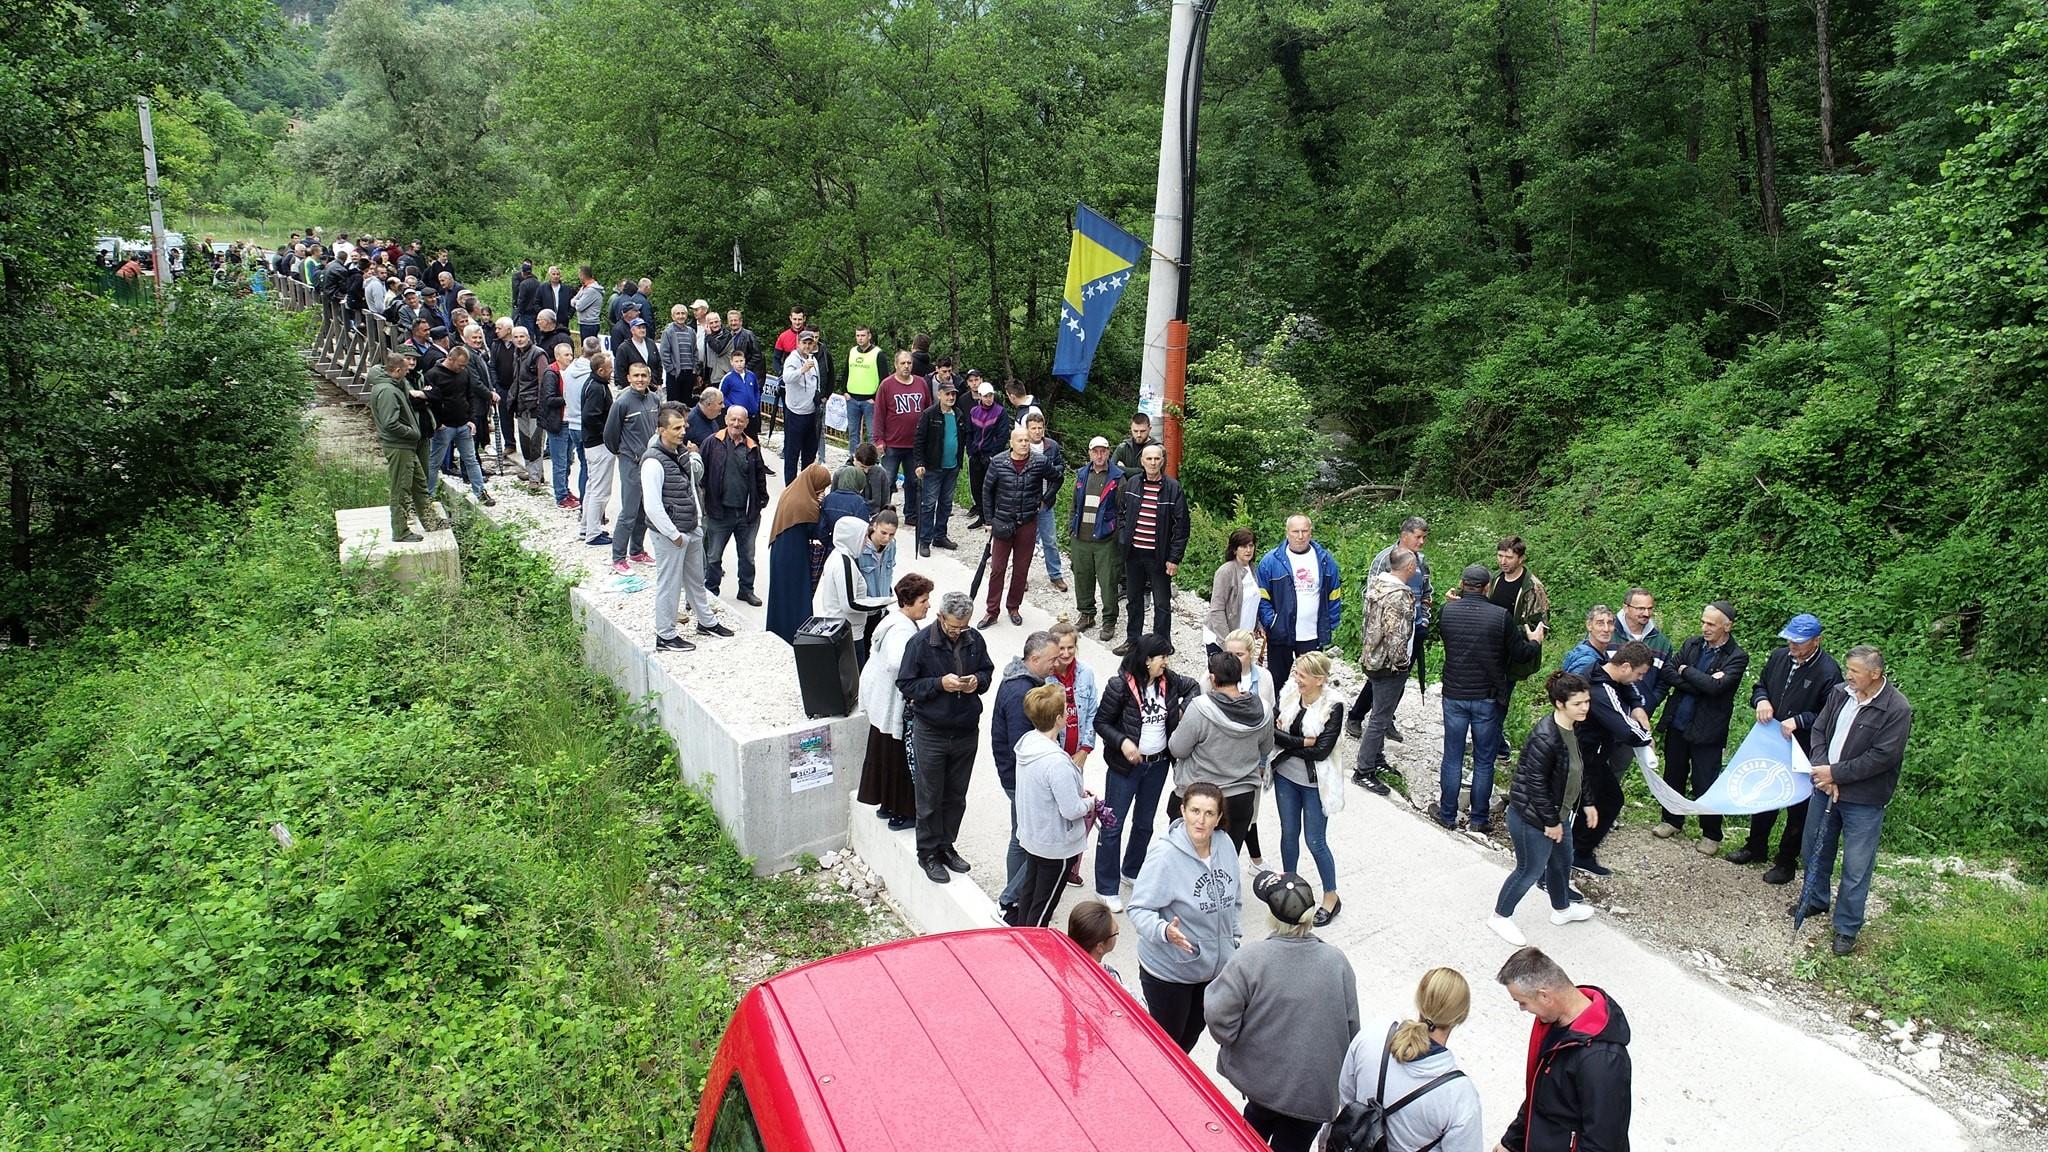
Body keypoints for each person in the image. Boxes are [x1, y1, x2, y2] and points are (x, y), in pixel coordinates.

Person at [1205, 869, 1360, 1152]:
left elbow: (1217, 1015)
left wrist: (1234, 1039)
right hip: (1313, 1097)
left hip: (1260, 1088)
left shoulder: (1250, 958)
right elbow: (1353, 1031)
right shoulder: (1337, 962)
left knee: (1246, 1139)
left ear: (1272, 917)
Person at [1794, 645, 1913, 957]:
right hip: (1824, 787)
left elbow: (1882, 757)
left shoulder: (1896, 708)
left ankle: (1846, 927)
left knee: (1856, 867)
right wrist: (1823, 772)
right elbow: (1819, 731)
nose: (1848, 676)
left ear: (1875, 674)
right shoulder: (1839, 693)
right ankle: (1816, 900)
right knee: (1813, 847)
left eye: (1855, 672)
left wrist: (1837, 774)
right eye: (1848, 670)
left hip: (1864, 799)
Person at [1127, 781, 1241, 1053]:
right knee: (1167, 1049)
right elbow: (1138, 909)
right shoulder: (1164, 856)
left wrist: (1234, 939)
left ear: (1219, 817)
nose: (1200, 820)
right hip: (1170, 973)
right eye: (1194, 811)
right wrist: (1165, 931)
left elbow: (1235, 898)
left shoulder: (1225, 845)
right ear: (1182, 811)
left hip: (1212, 972)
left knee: (1188, 1040)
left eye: (1209, 813)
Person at [1731, 613, 1843, 883]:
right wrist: (1761, 700)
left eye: (1800, 641)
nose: (1793, 644)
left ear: (1817, 640)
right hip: (1772, 740)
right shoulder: (1779, 657)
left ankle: (1786, 861)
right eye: (1790, 638)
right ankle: (1755, 846)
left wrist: (1801, 720)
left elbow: (1833, 714)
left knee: (1798, 805)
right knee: (1765, 793)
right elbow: (1761, 686)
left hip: (1804, 748)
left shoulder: (1829, 671)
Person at [1490, 671, 1598, 947]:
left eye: (1586, 701)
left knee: (1562, 863)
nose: (1585, 707)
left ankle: (1562, 910)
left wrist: (1587, 803)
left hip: (1558, 815)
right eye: (1578, 703)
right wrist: (1551, 822)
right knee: (1530, 869)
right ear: (1560, 704)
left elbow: (1578, 768)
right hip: (1533, 819)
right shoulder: (1546, 737)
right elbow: (1535, 786)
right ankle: (1500, 916)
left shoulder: (1574, 727)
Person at [1435, 564, 1543, 832]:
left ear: (1461, 584)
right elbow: (1519, 654)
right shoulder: (1500, 616)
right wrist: (1535, 641)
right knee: (1484, 759)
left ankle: (1447, 814)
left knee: (1452, 756)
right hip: (1486, 696)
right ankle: (1479, 820)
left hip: (1454, 694)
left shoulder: (1447, 611)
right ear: (1487, 588)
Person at [1093, 634, 1197, 912]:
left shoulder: (1170, 680)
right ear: (1147, 659)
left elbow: (1195, 687)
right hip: (1125, 766)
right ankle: (1106, 886)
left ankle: (1132, 870)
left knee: (1144, 823)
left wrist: (1184, 710)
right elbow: (1101, 722)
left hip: (1158, 763)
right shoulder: (1120, 686)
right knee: (1113, 824)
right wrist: (1123, 742)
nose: (1166, 662)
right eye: (1162, 657)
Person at [897, 591, 995, 884]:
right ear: (940, 617)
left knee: (956, 795)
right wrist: (940, 684)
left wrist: (976, 682)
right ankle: (927, 853)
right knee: (929, 797)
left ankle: (946, 846)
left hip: (965, 729)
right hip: (931, 731)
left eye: (962, 626)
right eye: (953, 626)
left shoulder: (974, 639)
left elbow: (987, 672)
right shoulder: (920, 643)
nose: (958, 631)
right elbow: (906, 684)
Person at [1493, 947, 1632, 1152]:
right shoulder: (1553, 1025)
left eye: (1522, 1002)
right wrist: (1512, 1141)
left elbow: (1602, 1144)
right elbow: (1541, 1095)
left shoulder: (1602, 1060)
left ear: (1545, 996)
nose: (1522, 1009)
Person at [1337, 969, 1485, 1152]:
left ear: (1419, 999)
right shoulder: (1460, 1096)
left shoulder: (1372, 1035)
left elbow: (1347, 1098)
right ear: (1460, 1017)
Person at [1651, 601, 1750, 854]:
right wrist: (1699, 681)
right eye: (1703, 622)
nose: (1704, 628)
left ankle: (1711, 834)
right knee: (1673, 774)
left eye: (1711, 624)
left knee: (1706, 781)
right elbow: (1668, 672)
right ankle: (1672, 819)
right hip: (1678, 723)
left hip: (1708, 730)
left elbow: (1716, 689)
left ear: (1727, 626)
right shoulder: (1692, 644)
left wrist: (1687, 671)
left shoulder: (1736, 656)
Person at [1168, 651, 1275, 856]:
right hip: (1242, 798)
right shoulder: (1263, 708)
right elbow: (1266, 748)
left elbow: (1177, 749)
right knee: (1226, 861)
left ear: (1213, 678)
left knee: (1188, 859)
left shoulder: (1200, 708)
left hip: (1201, 798)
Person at [1009, 683, 1096, 929]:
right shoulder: (1057, 762)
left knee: (1029, 896)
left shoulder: (1028, 743)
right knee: (1043, 907)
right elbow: (1071, 810)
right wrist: (1090, 803)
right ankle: (1033, 951)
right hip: (1055, 846)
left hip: (1034, 837)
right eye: (1067, 708)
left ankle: (1022, 939)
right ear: (1059, 719)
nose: (1070, 711)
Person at [645, 403, 728, 652]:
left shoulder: (681, 453)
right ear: (662, 431)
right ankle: (666, 635)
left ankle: (706, 622)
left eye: (683, 426)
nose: (683, 432)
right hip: (671, 535)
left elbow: (692, 488)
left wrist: (698, 523)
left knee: (695, 580)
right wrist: (674, 535)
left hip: (691, 528)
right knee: (669, 584)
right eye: (676, 428)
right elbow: (651, 505)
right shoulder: (653, 462)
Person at [1271, 651, 1345, 925]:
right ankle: (1287, 887)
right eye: (1296, 673)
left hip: (1315, 783)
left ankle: (1331, 896)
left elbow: (1323, 751)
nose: (1296, 678)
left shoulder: (1334, 706)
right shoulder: (1290, 693)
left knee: (1315, 841)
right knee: (1288, 834)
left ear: (1319, 679)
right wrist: (1303, 742)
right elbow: (1272, 731)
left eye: (1302, 675)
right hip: (1286, 777)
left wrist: (1288, 741)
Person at [1572, 642, 1657, 877]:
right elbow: (1625, 728)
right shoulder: (1600, 690)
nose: (1639, 680)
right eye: (1639, 674)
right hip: (1582, 754)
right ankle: (1564, 859)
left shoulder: (1602, 668)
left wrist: (1638, 706)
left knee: (1611, 800)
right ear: (1626, 666)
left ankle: (1581, 851)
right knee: (1584, 806)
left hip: (1594, 753)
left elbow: (1627, 689)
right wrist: (1646, 738)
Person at [857, 573, 934, 831]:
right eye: (923, 600)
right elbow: (896, 663)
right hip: (892, 704)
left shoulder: (894, 621)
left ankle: (887, 804)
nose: (928, 605)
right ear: (908, 602)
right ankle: (901, 810)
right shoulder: (902, 629)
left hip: (881, 702)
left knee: (884, 753)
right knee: (899, 759)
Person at [992, 631, 1060, 916]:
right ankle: (1012, 897)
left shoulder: (1022, 682)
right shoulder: (1022, 693)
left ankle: (1018, 892)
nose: (1056, 664)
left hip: (1015, 777)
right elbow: (1024, 748)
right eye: (1052, 659)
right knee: (1031, 841)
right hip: (1021, 780)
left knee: (1019, 837)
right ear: (1034, 659)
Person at [1352, 546, 1418, 795]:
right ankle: (1364, 770)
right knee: (1381, 717)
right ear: (1409, 567)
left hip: (1372, 657)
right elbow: (1395, 634)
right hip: (1388, 664)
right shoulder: (1398, 595)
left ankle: (1376, 758)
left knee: (1380, 712)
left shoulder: (1377, 585)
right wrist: (1401, 662)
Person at [978, 425, 1059, 628]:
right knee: (997, 568)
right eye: (1020, 440)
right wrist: (989, 520)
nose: (1024, 444)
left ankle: (1013, 607)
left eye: (1026, 440)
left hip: (1028, 522)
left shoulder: (1040, 461)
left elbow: (1057, 478)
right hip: (1003, 521)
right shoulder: (998, 462)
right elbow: (986, 491)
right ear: (1011, 443)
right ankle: (991, 611)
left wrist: (1045, 499)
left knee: (1021, 569)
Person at [1115, 444, 1190, 653]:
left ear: (1162, 461)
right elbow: (1121, 514)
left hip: (1159, 556)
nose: (1153, 463)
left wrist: (1174, 558)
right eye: (1149, 459)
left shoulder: (1173, 488)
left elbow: (1181, 527)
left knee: (1162, 604)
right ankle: (1133, 641)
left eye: (1157, 459)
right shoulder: (1131, 484)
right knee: (1134, 600)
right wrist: (1123, 539)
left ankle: (1161, 644)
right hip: (1134, 554)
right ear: (1142, 461)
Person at [1481, 536, 1550, 763]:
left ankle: (1494, 750)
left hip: (1513, 655)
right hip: (1490, 651)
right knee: (1486, 700)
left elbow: (1540, 625)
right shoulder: (1495, 581)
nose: (1503, 561)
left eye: (1509, 557)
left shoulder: (1533, 588)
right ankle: (1497, 745)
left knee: (1500, 701)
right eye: (1500, 556)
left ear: (1521, 558)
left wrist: (1516, 633)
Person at [1256, 515, 1343, 691]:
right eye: (1296, 531)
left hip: (1312, 634)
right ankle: (1276, 715)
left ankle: (1307, 714)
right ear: (1287, 533)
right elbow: (1262, 596)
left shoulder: (1325, 560)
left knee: (1312, 681)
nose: (1300, 536)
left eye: (1304, 531)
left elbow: (1334, 593)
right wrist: (1271, 622)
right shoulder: (1271, 561)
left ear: (1311, 532)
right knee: (1276, 682)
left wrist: (1330, 623)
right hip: (1281, 633)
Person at [369, 351, 444, 542]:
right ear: (395, 371)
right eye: (403, 369)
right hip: (399, 446)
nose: (407, 372)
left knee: (419, 484)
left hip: (406, 446)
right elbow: (390, 423)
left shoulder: (394, 384)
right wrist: (413, 433)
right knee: (401, 488)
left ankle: (430, 521)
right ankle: (400, 531)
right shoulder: (387, 391)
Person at [698, 405, 769, 607]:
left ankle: (746, 590)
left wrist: (761, 501)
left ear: (746, 423)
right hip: (719, 513)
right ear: (726, 419)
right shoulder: (712, 443)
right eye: (733, 419)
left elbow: (760, 476)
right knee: (712, 556)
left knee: (748, 557)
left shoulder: (752, 446)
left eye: (741, 420)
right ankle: (710, 591)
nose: (736, 424)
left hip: (747, 515)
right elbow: (700, 474)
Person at [603, 362, 663, 574]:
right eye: (636, 375)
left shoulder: (655, 399)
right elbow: (610, 435)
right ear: (628, 378)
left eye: (643, 376)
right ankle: (618, 557)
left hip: (650, 463)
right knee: (628, 511)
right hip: (631, 463)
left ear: (649, 377)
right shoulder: (622, 403)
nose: (640, 379)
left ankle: (636, 551)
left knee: (645, 510)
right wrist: (625, 455)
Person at [764, 463, 834, 643]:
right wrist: (820, 507)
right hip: (795, 556)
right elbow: (815, 531)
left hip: (781, 552)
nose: (822, 490)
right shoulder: (807, 504)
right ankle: (797, 636)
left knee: (781, 595)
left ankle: (776, 633)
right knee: (798, 596)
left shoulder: (791, 492)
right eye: (822, 486)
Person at [420, 343, 493, 507]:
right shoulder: (433, 375)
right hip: (444, 426)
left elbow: (470, 396)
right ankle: (428, 496)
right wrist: (437, 423)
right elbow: (429, 401)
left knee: (471, 459)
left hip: (463, 424)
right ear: (450, 359)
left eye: (464, 365)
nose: (462, 368)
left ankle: (480, 491)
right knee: (434, 462)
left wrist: (471, 419)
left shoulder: (464, 373)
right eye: (460, 365)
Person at [1067, 437, 1124, 639]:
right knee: (1082, 577)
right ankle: (1087, 614)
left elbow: (1121, 510)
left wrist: (1115, 534)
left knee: (1108, 581)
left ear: (1109, 452)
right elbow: (1074, 504)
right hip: (1080, 537)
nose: (1099, 455)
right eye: (1095, 451)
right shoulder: (1082, 474)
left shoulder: (1118, 477)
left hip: (1105, 540)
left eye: (1103, 451)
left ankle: (1109, 621)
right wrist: (1070, 528)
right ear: (1090, 453)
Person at [816, 516, 894, 663]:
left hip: (845, 630)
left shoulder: (839, 557)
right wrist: (885, 602)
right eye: (864, 537)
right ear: (852, 537)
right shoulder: (844, 562)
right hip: (848, 633)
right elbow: (850, 604)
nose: (866, 542)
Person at [875, 350, 932, 531]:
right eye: (903, 363)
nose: (906, 366)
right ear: (896, 364)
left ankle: (911, 515)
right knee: (887, 480)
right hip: (892, 443)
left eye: (909, 363)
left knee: (913, 481)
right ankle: (883, 515)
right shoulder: (886, 385)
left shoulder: (921, 383)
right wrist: (878, 440)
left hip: (915, 444)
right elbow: (879, 414)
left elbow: (928, 409)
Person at [911, 373, 965, 554]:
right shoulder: (929, 414)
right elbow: (919, 440)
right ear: (939, 395)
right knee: (928, 504)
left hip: (952, 467)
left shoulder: (958, 414)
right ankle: (924, 540)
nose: (951, 398)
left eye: (953, 395)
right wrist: (919, 462)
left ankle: (940, 536)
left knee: (946, 503)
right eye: (947, 394)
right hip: (933, 467)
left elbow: (961, 438)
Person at [1615, 587, 1674, 716]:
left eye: (1650, 608)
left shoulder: (1662, 644)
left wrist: (1650, 703)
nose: (1646, 613)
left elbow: (1664, 682)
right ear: (1626, 608)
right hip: (1608, 713)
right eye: (1641, 609)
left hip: (1642, 715)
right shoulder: (1607, 635)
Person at [1203, 528, 1259, 658]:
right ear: (1234, 549)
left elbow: (1251, 602)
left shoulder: (1252, 569)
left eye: (1251, 545)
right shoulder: (1225, 572)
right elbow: (1216, 610)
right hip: (1221, 640)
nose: (1248, 550)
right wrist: (1227, 643)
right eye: (1243, 546)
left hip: (1243, 638)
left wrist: (1258, 625)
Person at [779, 330, 826, 483]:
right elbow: (786, 378)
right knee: (792, 454)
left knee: (809, 454)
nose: (807, 346)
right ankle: (790, 488)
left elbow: (817, 382)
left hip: (811, 413)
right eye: (804, 343)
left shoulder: (814, 360)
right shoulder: (792, 359)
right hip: (795, 413)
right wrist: (802, 370)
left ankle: (805, 486)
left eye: (810, 343)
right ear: (798, 343)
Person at [963, 381, 1011, 529]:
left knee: (991, 488)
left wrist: (993, 454)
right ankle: (982, 516)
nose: (988, 399)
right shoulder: (974, 412)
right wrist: (971, 451)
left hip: (991, 455)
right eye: (985, 396)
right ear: (980, 397)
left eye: (990, 395)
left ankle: (992, 518)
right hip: (976, 454)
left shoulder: (1000, 412)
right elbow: (969, 432)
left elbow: (1003, 435)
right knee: (976, 487)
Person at [578, 351, 615, 546]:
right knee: (601, 490)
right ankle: (593, 533)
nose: (612, 372)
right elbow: (590, 417)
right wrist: (607, 435)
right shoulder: (596, 388)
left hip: (592, 444)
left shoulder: (593, 383)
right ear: (601, 370)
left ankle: (586, 527)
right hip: (599, 445)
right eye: (609, 369)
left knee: (592, 487)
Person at [540, 342, 581, 509]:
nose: (570, 358)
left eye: (571, 354)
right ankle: (561, 496)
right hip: (558, 423)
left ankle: (565, 489)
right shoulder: (551, 373)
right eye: (566, 355)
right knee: (560, 461)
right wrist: (568, 398)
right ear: (557, 357)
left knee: (569, 460)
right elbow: (548, 399)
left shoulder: (571, 372)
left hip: (570, 421)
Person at [507, 326, 548, 487]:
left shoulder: (538, 354)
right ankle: (533, 472)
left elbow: (543, 381)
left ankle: (535, 478)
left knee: (535, 442)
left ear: (528, 337)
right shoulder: (517, 354)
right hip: (520, 404)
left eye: (522, 336)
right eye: (516, 337)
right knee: (524, 441)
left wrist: (540, 403)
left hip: (535, 406)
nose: (519, 339)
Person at [842, 325, 884, 449]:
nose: (860, 338)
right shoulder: (852, 351)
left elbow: (884, 378)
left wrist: (876, 397)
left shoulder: (878, 353)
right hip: (852, 398)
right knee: (853, 433)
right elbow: (846, 372)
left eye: (863, 335)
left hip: (869, 400)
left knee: (872, 434)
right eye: (858, 335)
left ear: (869, 336)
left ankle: (872, 460)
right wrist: (844, 391)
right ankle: (853, 458)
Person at [1066, 900, 1124, 986]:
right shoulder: (1109, 980)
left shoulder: (1061, 965)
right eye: (1115, 933)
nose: (1118, 929)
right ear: (1099, 947)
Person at [819, 464, 871, 544]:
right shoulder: (860, 503)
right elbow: (863, 533)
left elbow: (821, 530)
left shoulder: (828, 499)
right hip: (852, 548)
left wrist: (830, 543)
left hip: (832, 546)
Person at [658, 303, 699, 403]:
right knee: (674, 404)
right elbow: (664, 353)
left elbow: (695, 351)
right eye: (678, 314)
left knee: (687, 402)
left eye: (683, 313)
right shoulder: (668, 332)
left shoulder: (691, 332)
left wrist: (694, 368)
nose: (681, 316)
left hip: (689, 372)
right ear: (673, 316)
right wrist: (671, 370)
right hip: (675, 373)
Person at [719, 349, 762, 441]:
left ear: (745, 360)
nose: (739, 364)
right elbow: (721, 395)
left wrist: (756, 403)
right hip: (737, 418)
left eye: (741, 361)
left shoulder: (751, 375)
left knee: (753, 441)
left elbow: (756, 391)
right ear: (731, 362)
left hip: (751, 416)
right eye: (736, 361)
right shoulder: (728, 378)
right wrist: (732, 407)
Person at [1562, 605, 1618, 674]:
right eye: (1600, 623)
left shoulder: (1604, 654)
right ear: (1589, 626)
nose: (1606, 629)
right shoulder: (1586, 663)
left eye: (1610, 623)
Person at [572, 266, 606, 343]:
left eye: (579, 274)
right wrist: (576, 301)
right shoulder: (584, 288)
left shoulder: (591, 290)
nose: (578, 276)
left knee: (589, 349)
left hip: (590, 324)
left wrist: (576, 301)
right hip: (584, 323)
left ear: (582, 275)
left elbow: (579, 307)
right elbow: (572, 300)